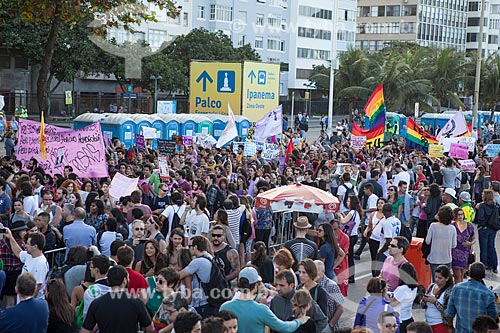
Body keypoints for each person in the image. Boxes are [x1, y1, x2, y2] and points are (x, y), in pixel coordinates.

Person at [220, 267, 309, 333]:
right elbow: (284, 327)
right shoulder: (261, 310)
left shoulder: (225, 307)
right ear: (255, 286)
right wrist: (299, 321)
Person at [81, 265, 154, 333]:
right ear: (124, 280)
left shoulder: (96, 303)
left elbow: (85, 331)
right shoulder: (137, 303)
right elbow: (150, 329)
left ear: (108, 281)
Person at [445, 262, 498, 333]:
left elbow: (449, 313)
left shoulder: (457, 288)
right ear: (484, 275)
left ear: (469, 273)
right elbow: (493, 317)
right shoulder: (488, 294)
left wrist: (450, 326)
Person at [178, 235, 218, 318]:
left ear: (195, 247)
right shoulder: (210, 257)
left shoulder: (198, 262)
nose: (188, 249)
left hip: (202, 303)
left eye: (190, 246)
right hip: (211, 300)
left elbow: (179, 275)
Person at [3, 229, 49, 299]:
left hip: (30, 304)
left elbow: (36, 288)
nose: (25, 245)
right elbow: (18, 252)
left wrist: (27, 304)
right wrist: (10, 237)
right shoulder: (29, 255)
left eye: (28, 243)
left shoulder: (40, 264)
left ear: (35, 246)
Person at [425, 206, 457, 279]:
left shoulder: (433, 226)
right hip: (447, 258)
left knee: (435, 280)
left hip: (434, 258)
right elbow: (454, 245)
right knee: (445, 280)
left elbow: (427, 241)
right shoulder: (452, 228)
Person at [0, 220, 27, 308]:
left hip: (7, 273)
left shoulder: (3, 242)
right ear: (18, 232)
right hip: (17, 273)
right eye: (23, 230)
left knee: (9, 301)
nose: (25, 232)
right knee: (17, 301)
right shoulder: (21, 244)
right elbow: (23, 256)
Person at [337, 196, 363, 283]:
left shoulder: (352, 212)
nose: (347, 202)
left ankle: (350, 276)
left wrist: (340, 215)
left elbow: (343, 221)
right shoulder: (357, 212)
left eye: (348, 201)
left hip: (350, 236)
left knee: (349, 256)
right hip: (354, 235)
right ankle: (351, 276)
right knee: (350, 256)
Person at [386, 262, 418, 333]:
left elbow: (392, 304)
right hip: (409, 317)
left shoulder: (402, 289)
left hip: (401, 320)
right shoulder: (414, 287)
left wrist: (384, 293)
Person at [314, 260, 345, 331]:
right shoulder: (310, 285)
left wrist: (330, 325)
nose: (314, 273)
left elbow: (340, 308)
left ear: (323, 271)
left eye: (317, 270)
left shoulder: (332, 286)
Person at [422, 265, 453, 333]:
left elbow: (447, 312)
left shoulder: (449, 292)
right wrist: (424, 300)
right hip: (428, 323)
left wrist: (435, 302)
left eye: (440, 278)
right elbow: (423, 306)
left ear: (447, 278)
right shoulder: (431, 286)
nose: (437, 280)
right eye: (436, 277)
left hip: (440, 325)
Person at [474, 189, 499, 272]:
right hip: (493, 228)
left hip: (484, 229)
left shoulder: (482, 206)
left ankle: (483, 265)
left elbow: (480, 218)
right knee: (491, 246)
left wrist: (481, 225)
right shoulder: (496, 206)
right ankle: (494, 265)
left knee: (483, 248)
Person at [451, 208, 475, 283]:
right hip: (454, 253)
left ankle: (459, 289)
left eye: (462, 214)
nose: (460, 216)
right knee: (457, 275)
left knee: (461, 274)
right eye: (458, 215)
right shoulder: (452, 225)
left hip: (465, 254)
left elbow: (474, 238)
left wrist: (470, 243)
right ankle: (457, 290)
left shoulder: (469, 226)